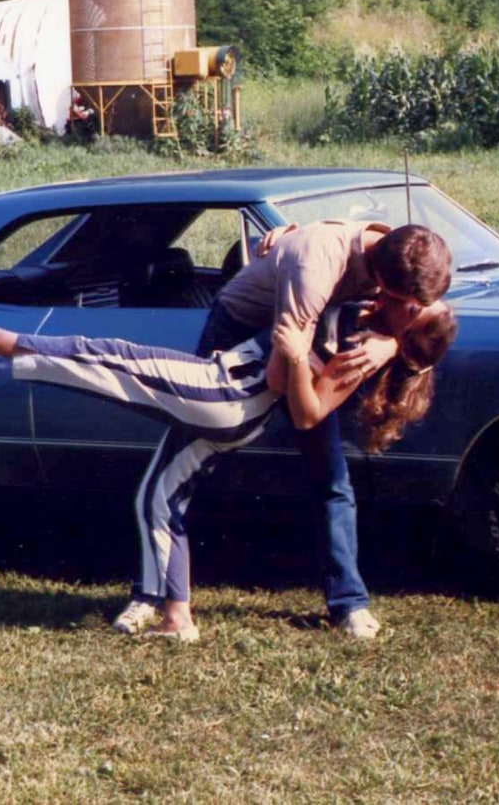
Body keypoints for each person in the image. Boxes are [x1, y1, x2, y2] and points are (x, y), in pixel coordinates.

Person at [0, 283, 456, 642]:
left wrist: (299, 355)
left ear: (407, 326)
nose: (410, 296)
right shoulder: (374, 317)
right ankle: (174, 615)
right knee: (159, 496)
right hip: (232, 403)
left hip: (225, 393)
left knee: (109, 357)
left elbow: (307, 413)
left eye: (417, 306)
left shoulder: (360, 351)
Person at [117, 219, 453, 641]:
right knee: (182, 469)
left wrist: (390, 342)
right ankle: (149, 594)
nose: (397, 308)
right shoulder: (317, 267)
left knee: (330, 476)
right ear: (379, 277)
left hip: (306, 340)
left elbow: (432, 314)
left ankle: (349, 604)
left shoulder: (404, 255)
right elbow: (280, 377)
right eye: (396, 299)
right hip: (245, 333)